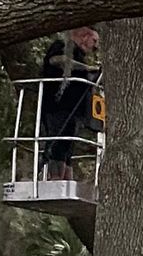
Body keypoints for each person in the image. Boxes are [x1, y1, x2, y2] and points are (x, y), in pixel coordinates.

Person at [39, 28, 100, 181]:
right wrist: (87, 68)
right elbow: (56, 60)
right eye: (94, 41)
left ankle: (66, 180)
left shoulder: (80, 55)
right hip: (57, 107)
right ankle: (54, 179)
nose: (95, 47)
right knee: (57, 145)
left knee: (68, 149)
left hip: (74, 111)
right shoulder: (62, 45)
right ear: (85, 37)